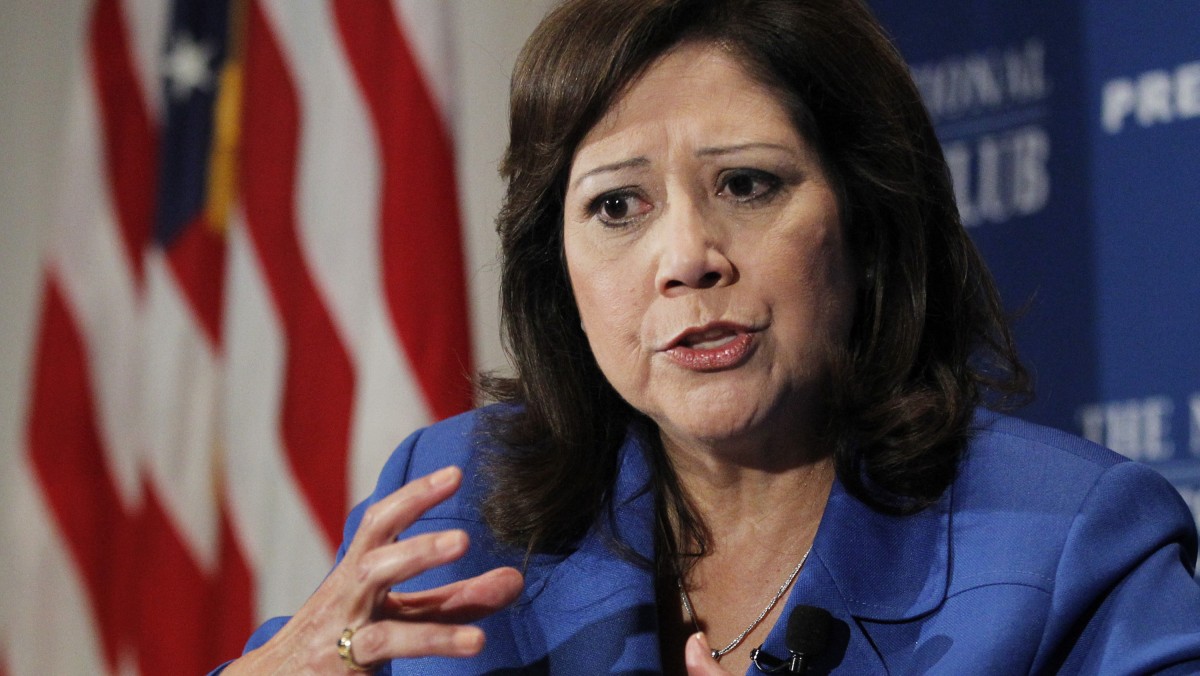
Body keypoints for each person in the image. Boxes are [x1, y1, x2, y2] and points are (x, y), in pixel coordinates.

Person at [215, 0, 1200, 673]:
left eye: (747, 184)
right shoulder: (449, 505)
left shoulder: (1071, 544)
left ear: (866, 222)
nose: (686, 256)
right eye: (617, 206)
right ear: (555, 267)